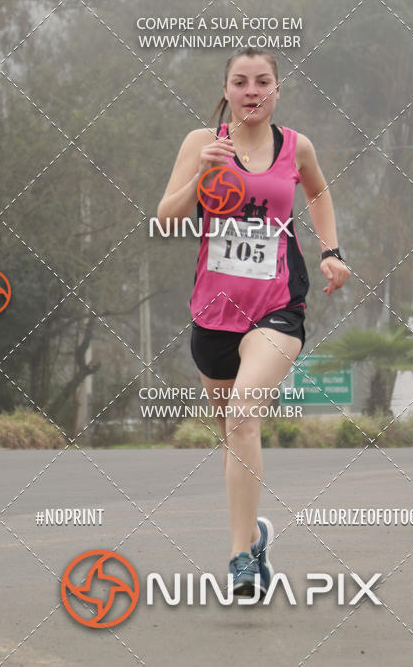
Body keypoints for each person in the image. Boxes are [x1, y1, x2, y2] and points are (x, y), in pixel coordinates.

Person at [157, 47, 350, 598]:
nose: (251, 90)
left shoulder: (296, 146)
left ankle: (240, 558)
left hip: (277, 308)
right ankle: (256, 536)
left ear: (276, 90)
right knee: (231, 436)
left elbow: (317, 191)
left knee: (243, 417)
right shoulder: (202, 143)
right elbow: (165, 216)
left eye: (262, 81)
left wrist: (330, 249)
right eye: (240, 82)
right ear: (227, 90)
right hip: (214, 315)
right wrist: (203, 175)